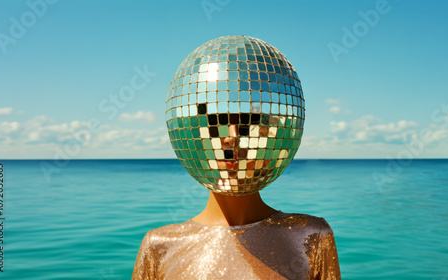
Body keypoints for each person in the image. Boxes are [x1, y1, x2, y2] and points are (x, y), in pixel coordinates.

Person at [132, 35, 341, 279]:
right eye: (216, 124)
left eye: (245, 126)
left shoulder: (310, 237)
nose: (231, 138)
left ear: (267, 136)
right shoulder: (160, 246)